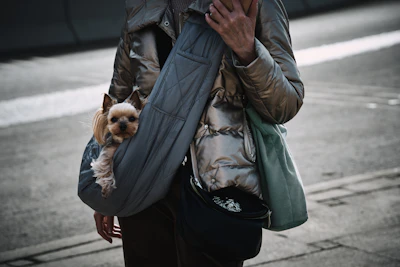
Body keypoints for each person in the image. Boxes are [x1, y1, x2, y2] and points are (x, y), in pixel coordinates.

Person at [93, 0, 304, 266]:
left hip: (216, 188)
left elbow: (285, 104)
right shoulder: (141, 5)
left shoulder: (252, 3)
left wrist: (248, 51)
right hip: (142, 180)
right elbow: (118, 97)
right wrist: (103, 187)